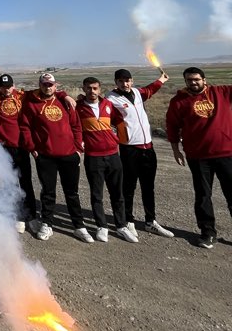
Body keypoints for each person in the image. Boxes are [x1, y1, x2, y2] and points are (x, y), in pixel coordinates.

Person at [18, 72, 90, 242]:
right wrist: (32, 148)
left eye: (50, 85)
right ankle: (47, 224)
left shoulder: (64, 102)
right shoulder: (31, 104)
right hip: (45, 156)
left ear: (56, 86)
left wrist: (78, 148)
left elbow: (76, 126)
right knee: (48, 192)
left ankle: (79, 225)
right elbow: (25, 127)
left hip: (69, 155)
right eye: (44, 84)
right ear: (40, 85)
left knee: (72, 192)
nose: (47, 87)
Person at [166, 67, 232, 249]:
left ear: (204, 79)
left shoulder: (222, 92)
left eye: (196, 79)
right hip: (198, 156)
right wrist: (175, 150)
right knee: (203, 195)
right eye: (189, 80)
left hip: (226, 153)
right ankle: (208, 233)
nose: (193, 82)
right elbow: (172, 126)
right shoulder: (179, 101)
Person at [108, 68, 173, 238]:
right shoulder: (111, 99)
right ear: (116, 82)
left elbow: (150, 89)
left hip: (148, 147)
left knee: (148, 187)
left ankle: (150, 221)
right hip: (129, 148)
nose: (125, 83)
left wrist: (162, 80)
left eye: (128, 80)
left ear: (132, 80)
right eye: (121, 81)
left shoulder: (137, 92)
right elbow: (100, 111)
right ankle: (128, 221)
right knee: (128, 187)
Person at [76, 78, 137, 243]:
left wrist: (119, 139)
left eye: (95, 88)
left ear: (99, 88)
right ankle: (102, 226)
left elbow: (119, 121)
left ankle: (121, 225)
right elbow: (76, 129)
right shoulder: (78, 107)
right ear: (83, 88)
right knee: (97, 195)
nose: (92, 91)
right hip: (93, 157)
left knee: (118, 193)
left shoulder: (108, 105)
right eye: (88, 88)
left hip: (113, 155)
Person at [0, 74, 40, 235]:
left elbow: (44, 92)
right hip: (3, 148)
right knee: (8, 183)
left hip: (21, 147)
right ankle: (16, 215)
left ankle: (31, 216)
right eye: (3, 86)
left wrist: (64, 95)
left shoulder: (22, 95)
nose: (7, 89)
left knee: (25, 182)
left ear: (13, 86)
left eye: (9, 86)